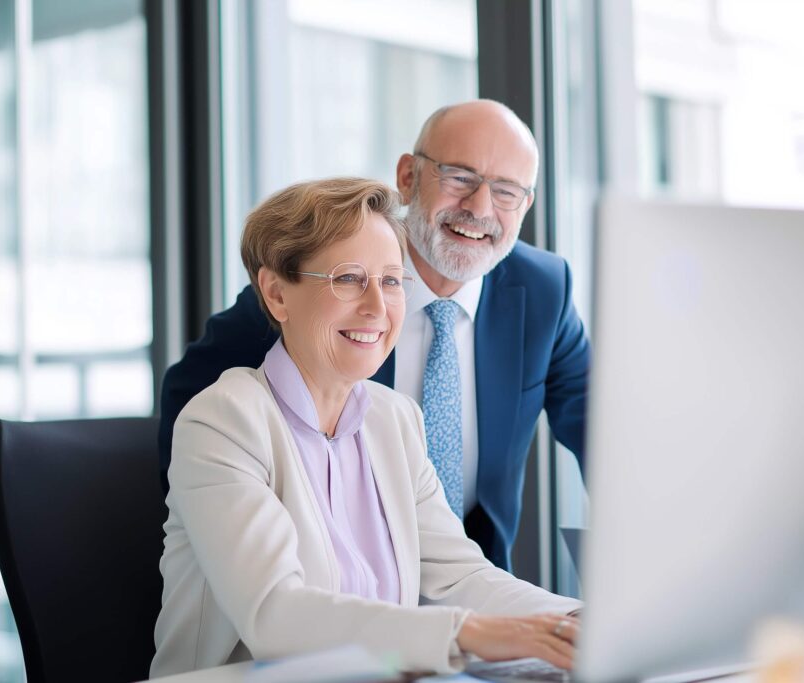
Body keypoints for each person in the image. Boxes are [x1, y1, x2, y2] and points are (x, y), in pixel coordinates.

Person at [151, 178, 581, 677]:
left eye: (392, 281)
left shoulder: (395, 420)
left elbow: (460, 575)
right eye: (349, 279)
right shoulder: (222, 422)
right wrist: (467, 633)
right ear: (276, 294)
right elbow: (275, 615)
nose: (378, 307)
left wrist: (573, 620)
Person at [158, 99, 590, 571]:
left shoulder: (545, 289)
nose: (479, 208)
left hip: (474, 585)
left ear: (525, 204)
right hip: (328, 589)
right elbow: (192, 397)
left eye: (506, 191)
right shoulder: (329, 277)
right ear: (407, 176)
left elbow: (603, 434)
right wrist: (226, 532)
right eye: (459, 178)